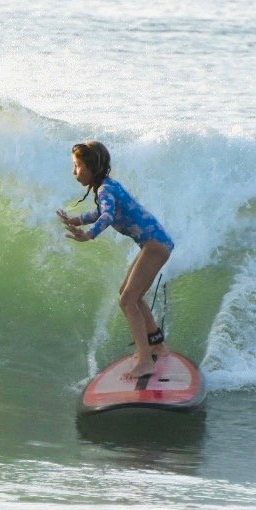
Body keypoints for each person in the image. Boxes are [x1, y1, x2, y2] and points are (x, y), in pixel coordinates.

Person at [56, 141, 174, 380]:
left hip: (155, 245)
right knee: (128, 294)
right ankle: (157, 345)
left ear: (91, 167)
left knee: (127, 300)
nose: (74, 172)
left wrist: (89, 235)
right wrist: (76, 220)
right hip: (154, 243)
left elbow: (107, 215)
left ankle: (145, 360)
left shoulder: (104, 190)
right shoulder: (107, 187)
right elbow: (101, 212)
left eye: (77, 166)